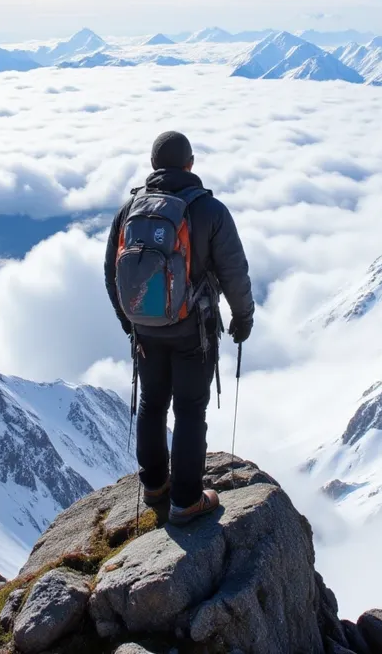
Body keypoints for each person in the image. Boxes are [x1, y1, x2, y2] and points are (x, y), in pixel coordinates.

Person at [104, 131, 254, 525]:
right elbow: (234, 271)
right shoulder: (210, 211)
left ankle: (155, 485)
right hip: (194, 332)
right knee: (190, 410)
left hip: (145, 331)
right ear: (190, 164)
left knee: (153, 404)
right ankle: (187, 500)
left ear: (154, 165)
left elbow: (111, 274)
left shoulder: (129, 210)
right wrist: (243, 317)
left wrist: (131, 324)